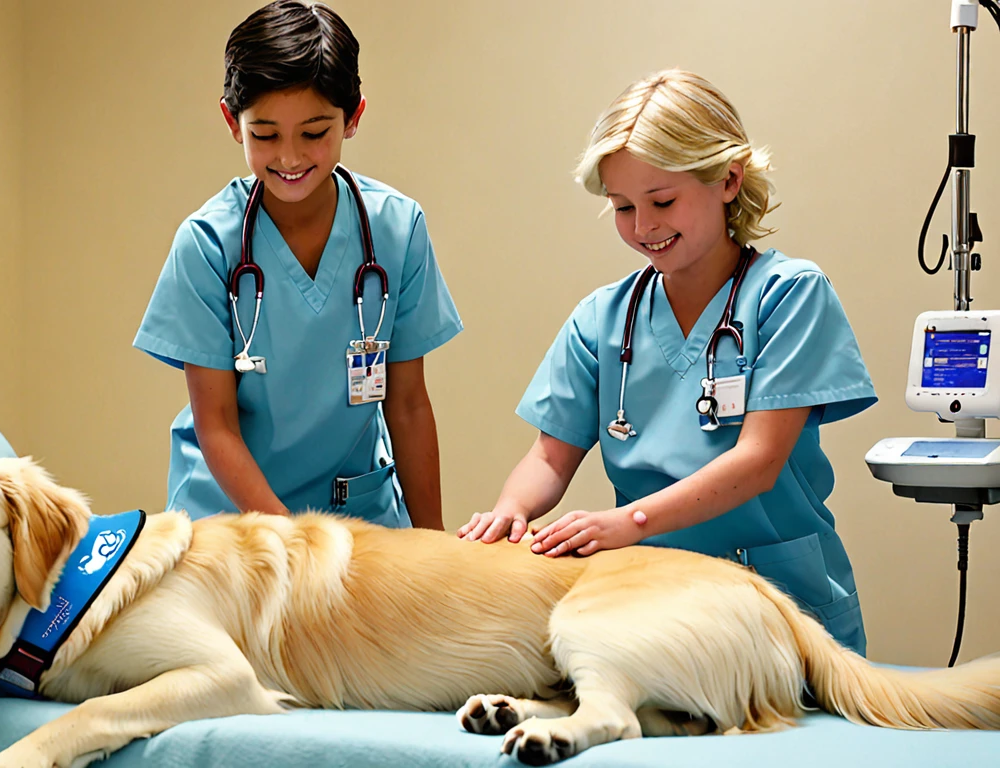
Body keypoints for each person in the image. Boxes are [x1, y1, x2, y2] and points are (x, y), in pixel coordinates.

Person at [458, 69, 876, 655]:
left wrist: (624, 525)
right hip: (658, 609)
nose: (644, 227)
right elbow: (549, 457)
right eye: (623, 207)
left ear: (729, 179)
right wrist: (510, 512)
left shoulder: (789, 295)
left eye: (662, 201)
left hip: (785, 608)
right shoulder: (604, 318)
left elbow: (757, 461)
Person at [133, 0, 462, 530]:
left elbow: (407, 406)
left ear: (352, 117)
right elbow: (215, 425)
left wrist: (433, 548)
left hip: (358, 513)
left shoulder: (396, 230)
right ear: (232, 122)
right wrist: (296, 545)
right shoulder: (208, 244)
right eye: (265, 134)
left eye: (314, 133)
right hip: (231, 519)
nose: (289, 157)